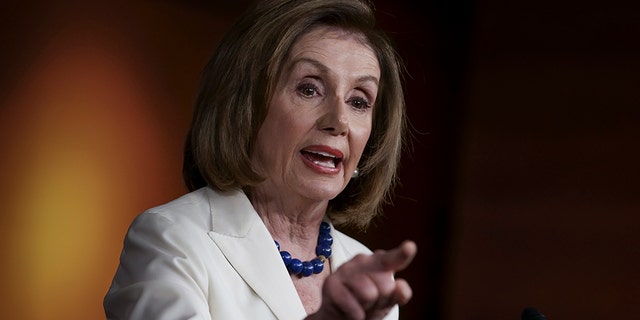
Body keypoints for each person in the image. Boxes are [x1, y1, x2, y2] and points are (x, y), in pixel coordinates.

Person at [104, 0, 417, 319]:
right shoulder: (172, 240)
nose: (339, 121)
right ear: (245, 106)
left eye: (359, 101)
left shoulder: (365, 272)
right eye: (309, 89)